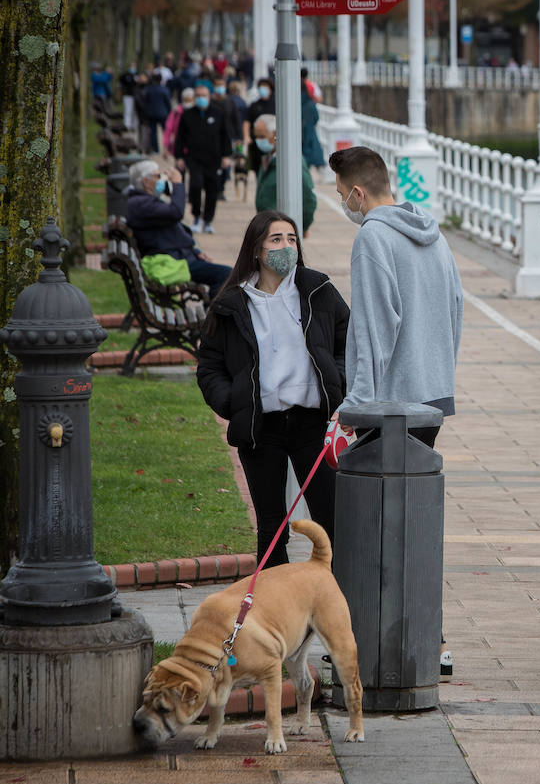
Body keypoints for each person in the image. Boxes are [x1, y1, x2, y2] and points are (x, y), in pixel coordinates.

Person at [196, 210, 349, 569]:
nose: (286, 247)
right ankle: (272, 608)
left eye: (292, 239)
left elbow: (348, 343)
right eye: (276, 240)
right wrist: (231, 402)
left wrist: (339, 383)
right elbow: (209, 367)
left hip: (313, 424)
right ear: (257, 250)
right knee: (271, 527)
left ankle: (338, 600)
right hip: (259, 426)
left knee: (332, 520)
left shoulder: (318, 289)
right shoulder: (231, 304)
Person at [329, 146, 463, 444]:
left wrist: (356, 402)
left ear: (358, 194)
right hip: (433, 398)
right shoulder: (436, 236)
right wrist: (442, 375)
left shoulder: (372, 236)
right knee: (416, 489)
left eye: (341, 195)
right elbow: (456, 310)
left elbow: (374, 324)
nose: (343, 202)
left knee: (380, 490)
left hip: (389, 405)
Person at [123, 160, 231, 299]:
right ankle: (214, 318)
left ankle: (213, 315)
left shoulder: (142, 201)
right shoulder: (140, 204)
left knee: (227, 275)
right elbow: (176, 212)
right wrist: (178, 183)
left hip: (178, 256)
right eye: (157, 176)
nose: (161, 180)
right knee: (227, 275)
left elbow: (171, 230)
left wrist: (195, 251)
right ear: (145, 181)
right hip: (173, 262)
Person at [173, 83, 233, 234]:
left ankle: (208, 220)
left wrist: (226, 155)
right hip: (194, 159)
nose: (201, 99)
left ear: (209, 96)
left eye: (204, 96)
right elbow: (179, 137)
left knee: (212, 190)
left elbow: (226, 136)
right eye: (198, 96)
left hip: (214, 159)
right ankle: (196, 216)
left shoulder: (218, 113)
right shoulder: (187, 115)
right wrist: (179, 156)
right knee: (195, 185)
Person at [253, 114, 316, 234]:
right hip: (266, 227)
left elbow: (309, 197)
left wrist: (302, 227)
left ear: (275, 134)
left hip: (282, 229)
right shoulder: (268, 158)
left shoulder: (293, 162)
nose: (258, 141)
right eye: (256, 136)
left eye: (262, 136)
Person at [244, 78, 275, 174]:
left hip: (273, 142)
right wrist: (247, 136)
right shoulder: (254, 105)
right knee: (258, 168)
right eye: (261, 87)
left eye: (265, 87)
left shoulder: (276, 103)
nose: (263, 89)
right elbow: (247, 122)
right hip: (257, 142)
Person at [138, 73, 173, 156]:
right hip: (163, 113)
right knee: (166, 132)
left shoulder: (149, 89)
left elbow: (145, 101)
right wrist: (169, 112)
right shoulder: (164, 89)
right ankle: (167, 148)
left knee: (153, 133)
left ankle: (156, 150)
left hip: (151, 113)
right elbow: (168, 103)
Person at [300, 68, 326, 177]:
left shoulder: (294, 84)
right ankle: (319, 171)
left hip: (301, 127)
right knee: (314, 149)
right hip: (310, 125)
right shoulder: (311, 85)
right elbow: (319, 99)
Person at [163, 88, 194, 157]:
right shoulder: (176, 112)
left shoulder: (197, 113)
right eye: (186, 100)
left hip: (194, 150)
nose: (188, 102)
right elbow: (168, 130)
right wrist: (166, 146)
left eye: (190, 100)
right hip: (179, 149)